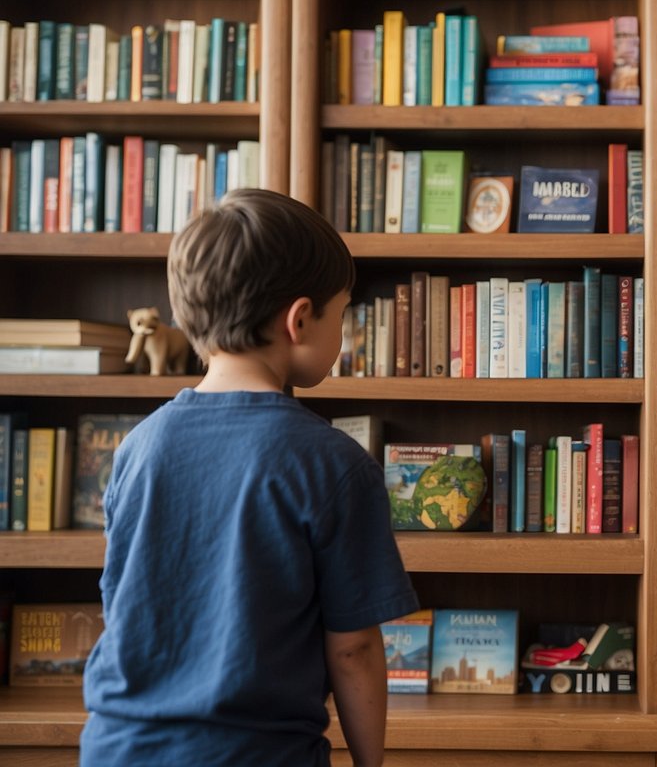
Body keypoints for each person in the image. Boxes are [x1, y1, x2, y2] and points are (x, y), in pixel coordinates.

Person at [81, 189, 418, 767]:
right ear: (300, 319)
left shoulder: (136, 448)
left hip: (119, 747)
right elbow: (355, 649)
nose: (343, 338)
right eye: (342, 316)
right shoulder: (335, 464)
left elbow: (126, 606)